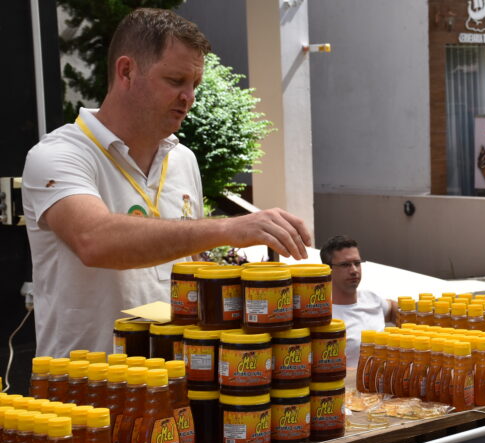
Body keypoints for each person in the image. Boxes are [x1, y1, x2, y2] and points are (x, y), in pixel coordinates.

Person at [22, 8, 311, 358]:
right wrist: (227, 229)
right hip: (85, 392)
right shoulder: (58, 153)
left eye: (194, 85)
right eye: (176, 81)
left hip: (172, 386)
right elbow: (93, 240)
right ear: (126, 71)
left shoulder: (183, 159)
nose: (189, 97)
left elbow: (186, 263)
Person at [321, 235, 397, 367]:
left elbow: (397, 310)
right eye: (345, 265)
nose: (354, 270)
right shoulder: (321, 315)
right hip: (347, 386)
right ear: (328, 269)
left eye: (357, 263)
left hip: (381, 384)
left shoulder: (372, 299)